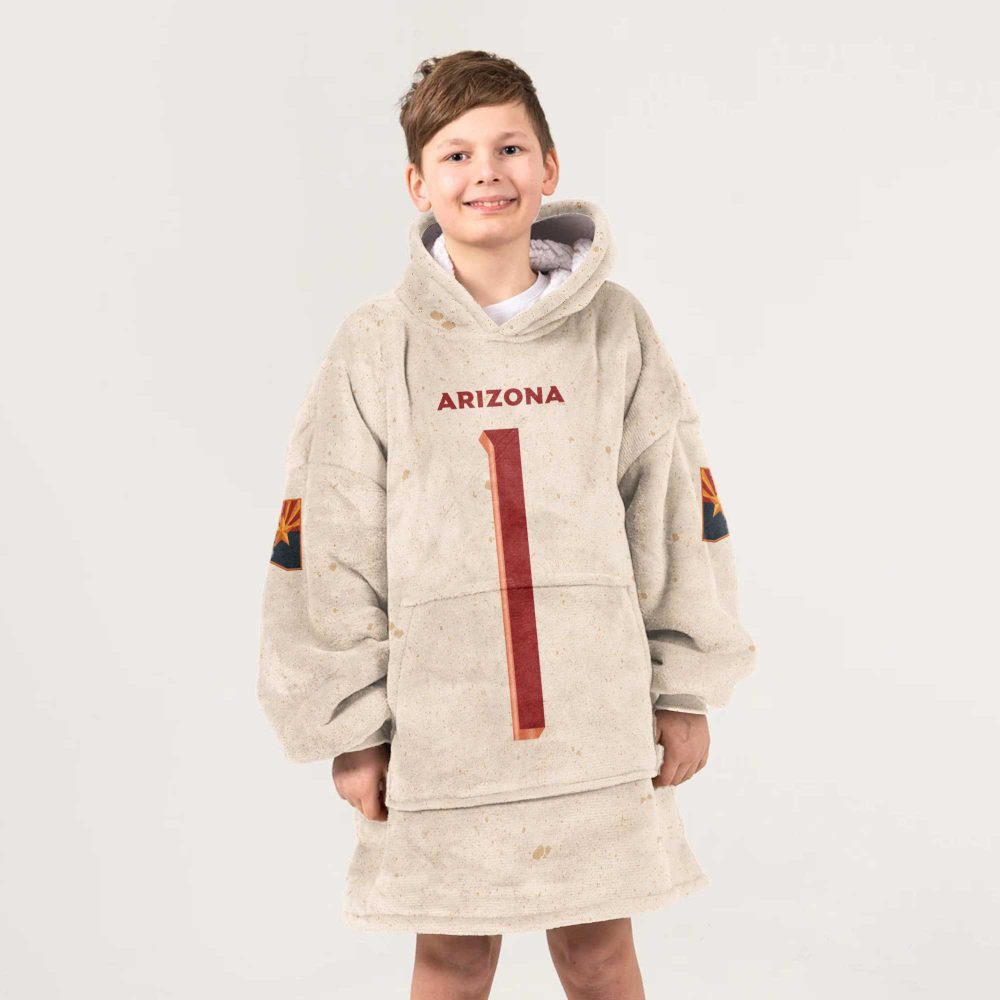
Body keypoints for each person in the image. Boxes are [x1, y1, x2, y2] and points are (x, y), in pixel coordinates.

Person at [257, 49, 757, 999]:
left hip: (594, 713)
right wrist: (353, 725)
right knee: (453, 956)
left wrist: (685, 686)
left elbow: (670, 509)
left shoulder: (614, 328)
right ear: (418, 184)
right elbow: (329, 543)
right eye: (455, 155)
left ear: (549, 167)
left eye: (509, 148)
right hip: (441, 722)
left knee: (598, 952)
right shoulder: (377, 345)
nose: (485, 172)